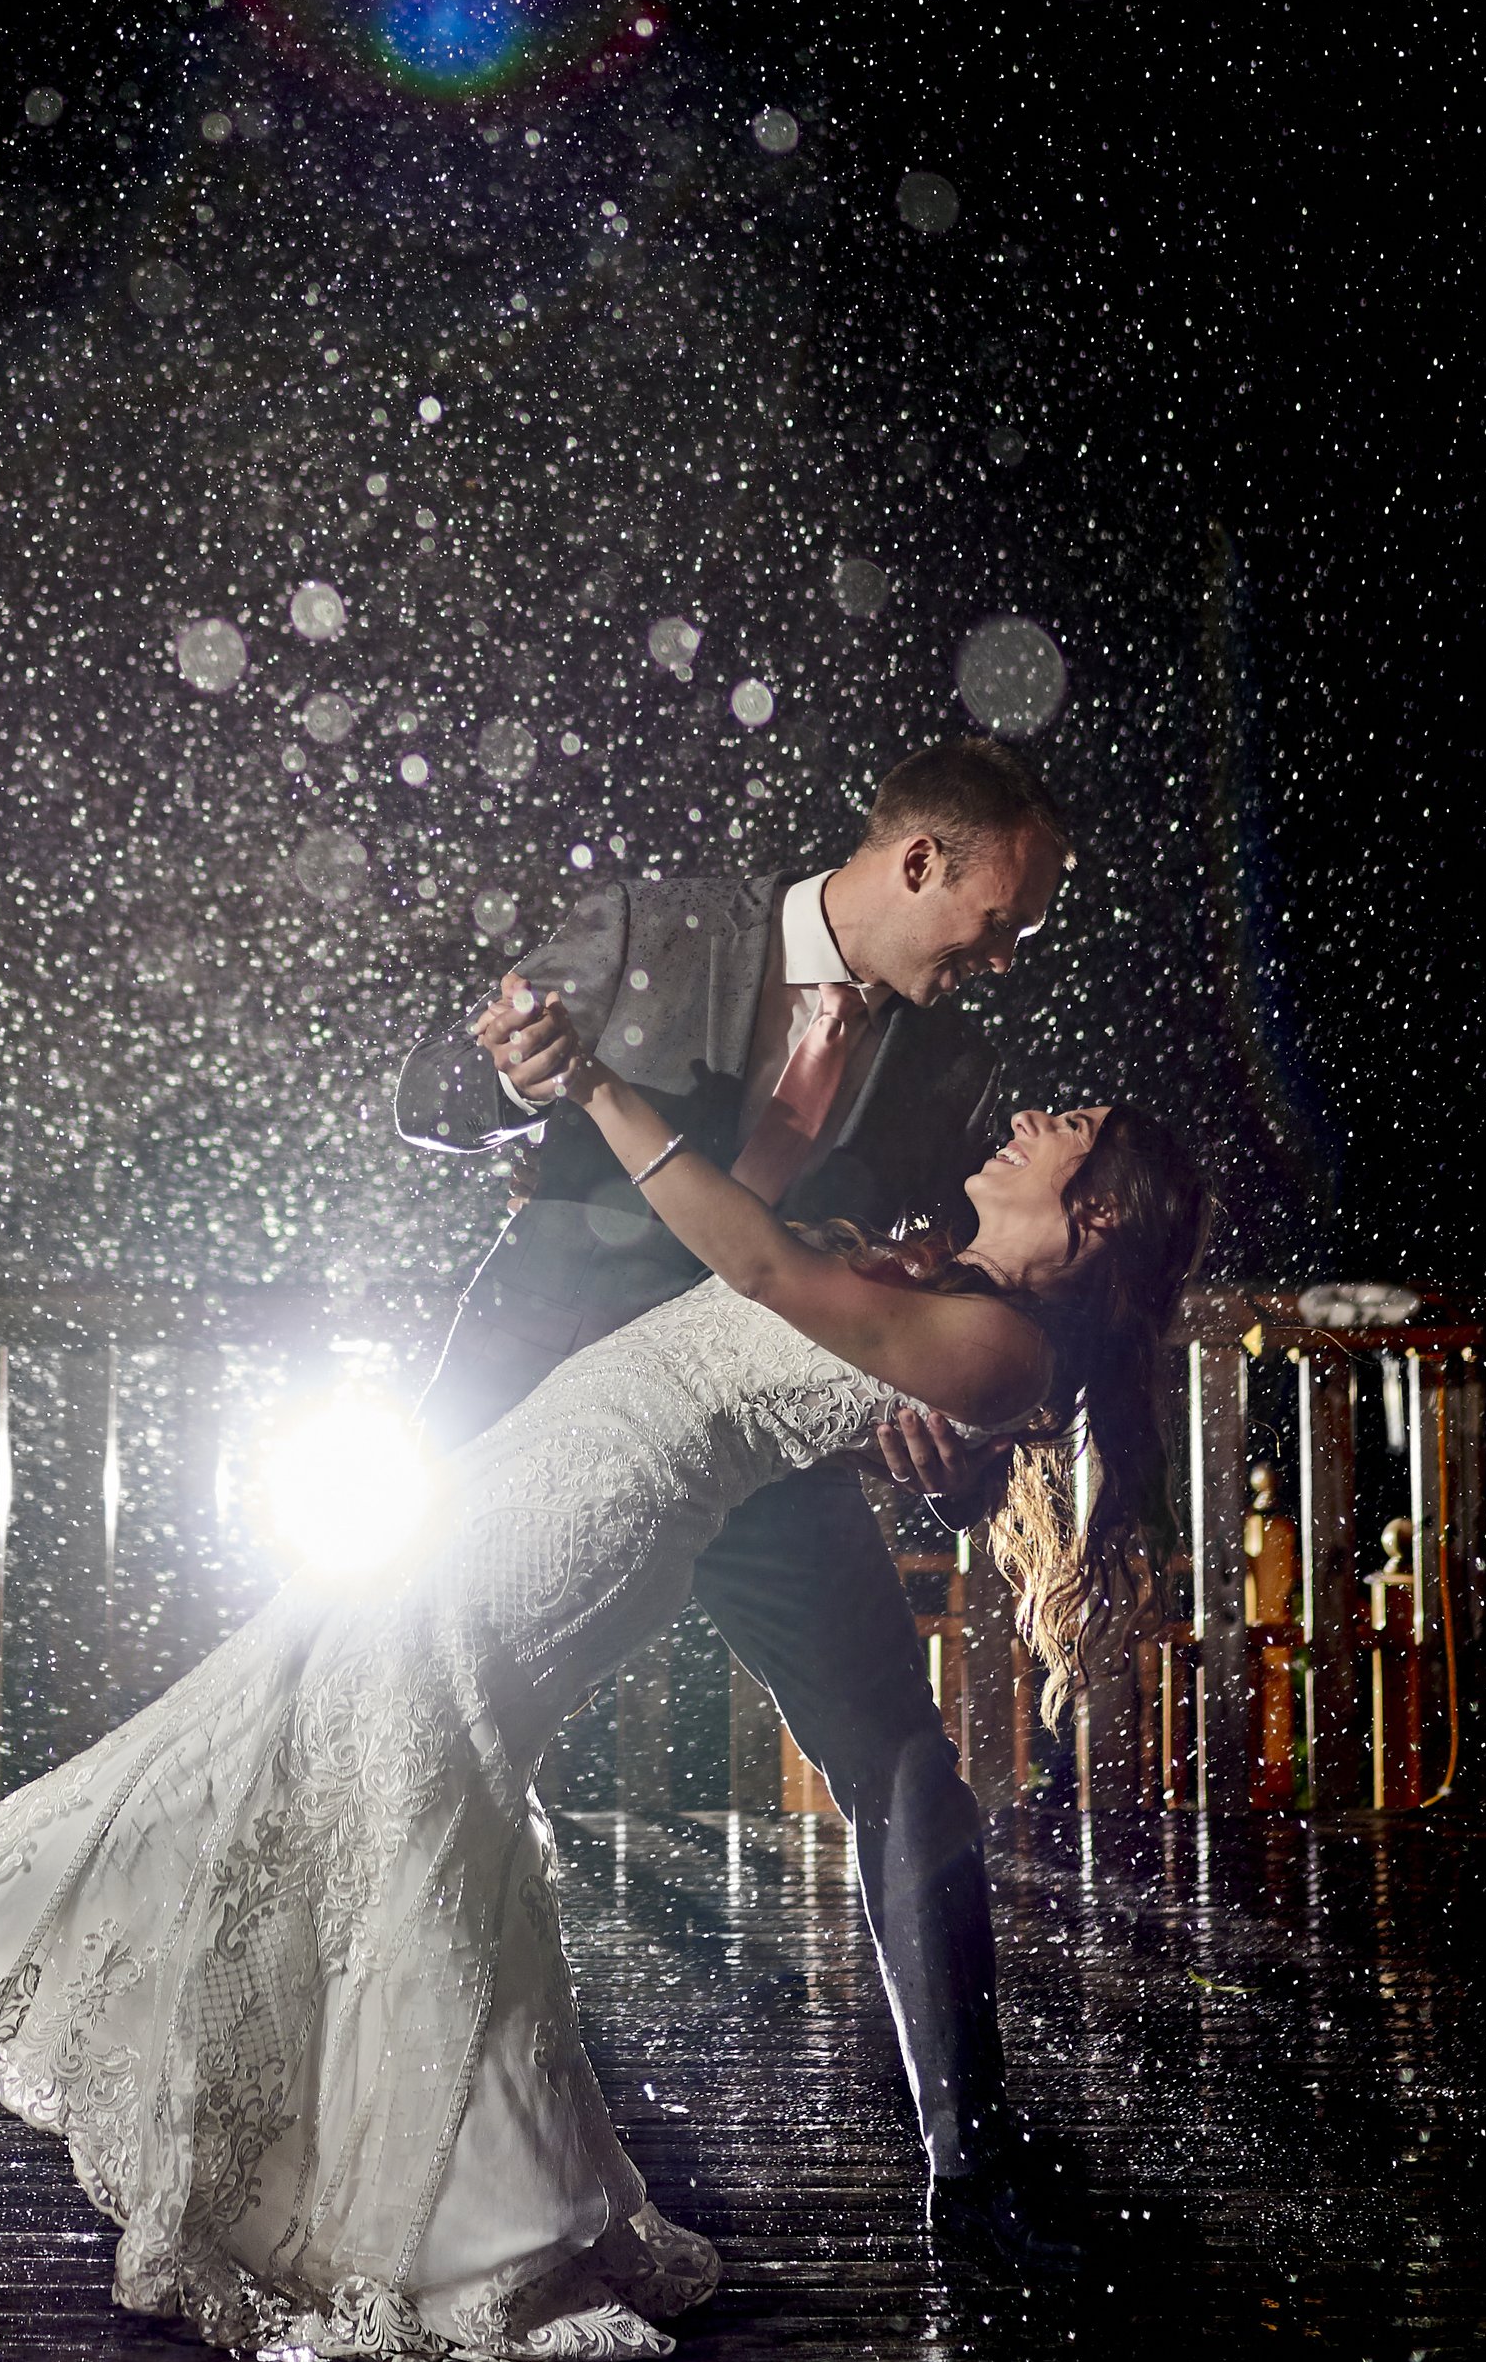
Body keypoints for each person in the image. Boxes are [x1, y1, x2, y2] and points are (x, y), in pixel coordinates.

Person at [0, 1056, 1208, 2362]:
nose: (1028, 1116)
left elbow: (763, 1267)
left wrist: (603, 1086)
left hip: (597, 1504)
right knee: (318, 1732)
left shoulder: (1004, 1345)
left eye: (1068, 1123)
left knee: (331, 1737)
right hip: (552, 1463)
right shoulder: (952, 1286)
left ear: (1095, 1214)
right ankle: (497, 2208)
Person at [392, 737, 1080, 2265]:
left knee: (900, 1755)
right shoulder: (654, 927)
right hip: (535, 1401)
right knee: (394, 1708)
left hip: (756, 1443)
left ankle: (977, 2166)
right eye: (1001, 920)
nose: (1002, 957)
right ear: (922, 862)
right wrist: (506, 1076)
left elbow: (928, 1295)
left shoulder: (954, 1070)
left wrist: (936, 1431)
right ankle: (417, 2127)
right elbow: (427, 1095)